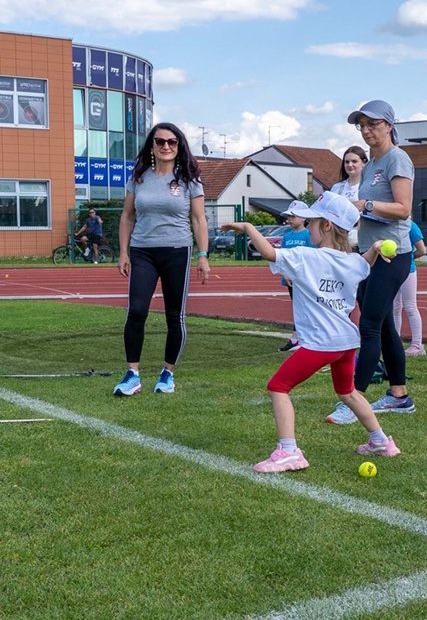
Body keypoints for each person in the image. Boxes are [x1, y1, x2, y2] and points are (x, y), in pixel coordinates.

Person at [223, 193, 401, 473]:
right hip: (346, 342)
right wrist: (376, 249)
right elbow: (365, 264)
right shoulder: (352, 261)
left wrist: (248, 227)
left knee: (278, 387)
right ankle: (380, 442)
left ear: (327, 225)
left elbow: (269, 253)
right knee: (348, 392)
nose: (307, 227)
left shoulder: (306, 257)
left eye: (312, 222)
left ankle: (289, 452)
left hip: (321, 342)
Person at [326, 99, 415, 425]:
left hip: (393, 255)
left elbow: (403, 208)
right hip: (370, 254)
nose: (366, 131)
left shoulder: (397, 159)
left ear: (389, 126)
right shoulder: (372, 163)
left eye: (373, 125)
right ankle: (399, 394)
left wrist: (363, 205)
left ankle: (354, 399)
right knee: (385, 326)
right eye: (362, 126)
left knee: (369, 324)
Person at [114, 123, 210, 396]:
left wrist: (203, 256)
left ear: (179, 146)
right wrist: (123, 252)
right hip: (143, 250)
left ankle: (167, 373)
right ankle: (132, 374)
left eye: (172, 142)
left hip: (177, 251)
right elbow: (127, 216)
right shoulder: (139, 176)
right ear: (152, 146)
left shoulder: (190, 179)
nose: (166, 146)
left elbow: (199, 219)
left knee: (174, 316)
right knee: (136, 312)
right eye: (160, 142)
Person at [277, 201, 314, 352]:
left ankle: (301, 337)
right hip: (290, 279)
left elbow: (311, 257)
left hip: (304, 279)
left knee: (306, 307)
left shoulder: (308, 235)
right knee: (297, 307)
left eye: (294, 216)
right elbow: (284, 257)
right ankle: (296, 338)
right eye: (289, 216)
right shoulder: (286, 237)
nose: (290, 219)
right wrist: (285, 274)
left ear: (304, 218)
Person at [393, 219, 426, 355]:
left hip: (408, 270)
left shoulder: (411, 226)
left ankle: (417, 344)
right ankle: (395, 341)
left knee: (410, 306)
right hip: (392, 270)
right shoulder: (389, 225)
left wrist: (408, 257)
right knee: (395, 307)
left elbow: (422, 250)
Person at [330, 145, 366, 250]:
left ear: (364, 163)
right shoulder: (336, 188)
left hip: (361, 242)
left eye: (354, 161)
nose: (350, 165)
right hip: (340, 242)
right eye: (347, 162)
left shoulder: (368, 187)